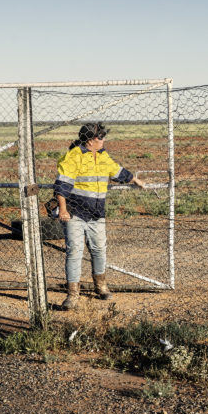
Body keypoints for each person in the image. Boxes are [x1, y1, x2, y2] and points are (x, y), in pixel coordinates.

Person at [53, 122, 145, 310]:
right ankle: (72, 295)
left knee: (99, 250)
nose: (103, 140)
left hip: (96, 213)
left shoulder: (103, 156)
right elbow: (62, 186)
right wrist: (63, 210)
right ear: (89, 140)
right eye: (100, 137)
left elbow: (117, 171)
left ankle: (101, 286)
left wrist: (135, 179)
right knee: (75, 252)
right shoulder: (73, 157)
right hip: (75, 214)